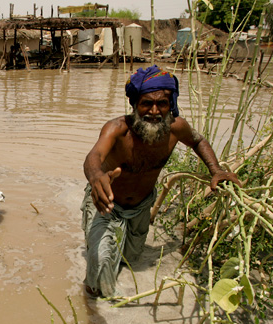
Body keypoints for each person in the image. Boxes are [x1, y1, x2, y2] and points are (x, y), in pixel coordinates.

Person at [81, 65, 240, 298]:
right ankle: (97, 315)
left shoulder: (177, 128)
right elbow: (93, 157)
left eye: (162, 104)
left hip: (141, 207)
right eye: (146, 103)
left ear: (170, 105)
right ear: (135, 104)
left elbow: (198, 141)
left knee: (132, 260)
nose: (154, 111)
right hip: (107, 204)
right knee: (99, 271)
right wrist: (96, 176)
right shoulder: (117, 129)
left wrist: (215, 170)